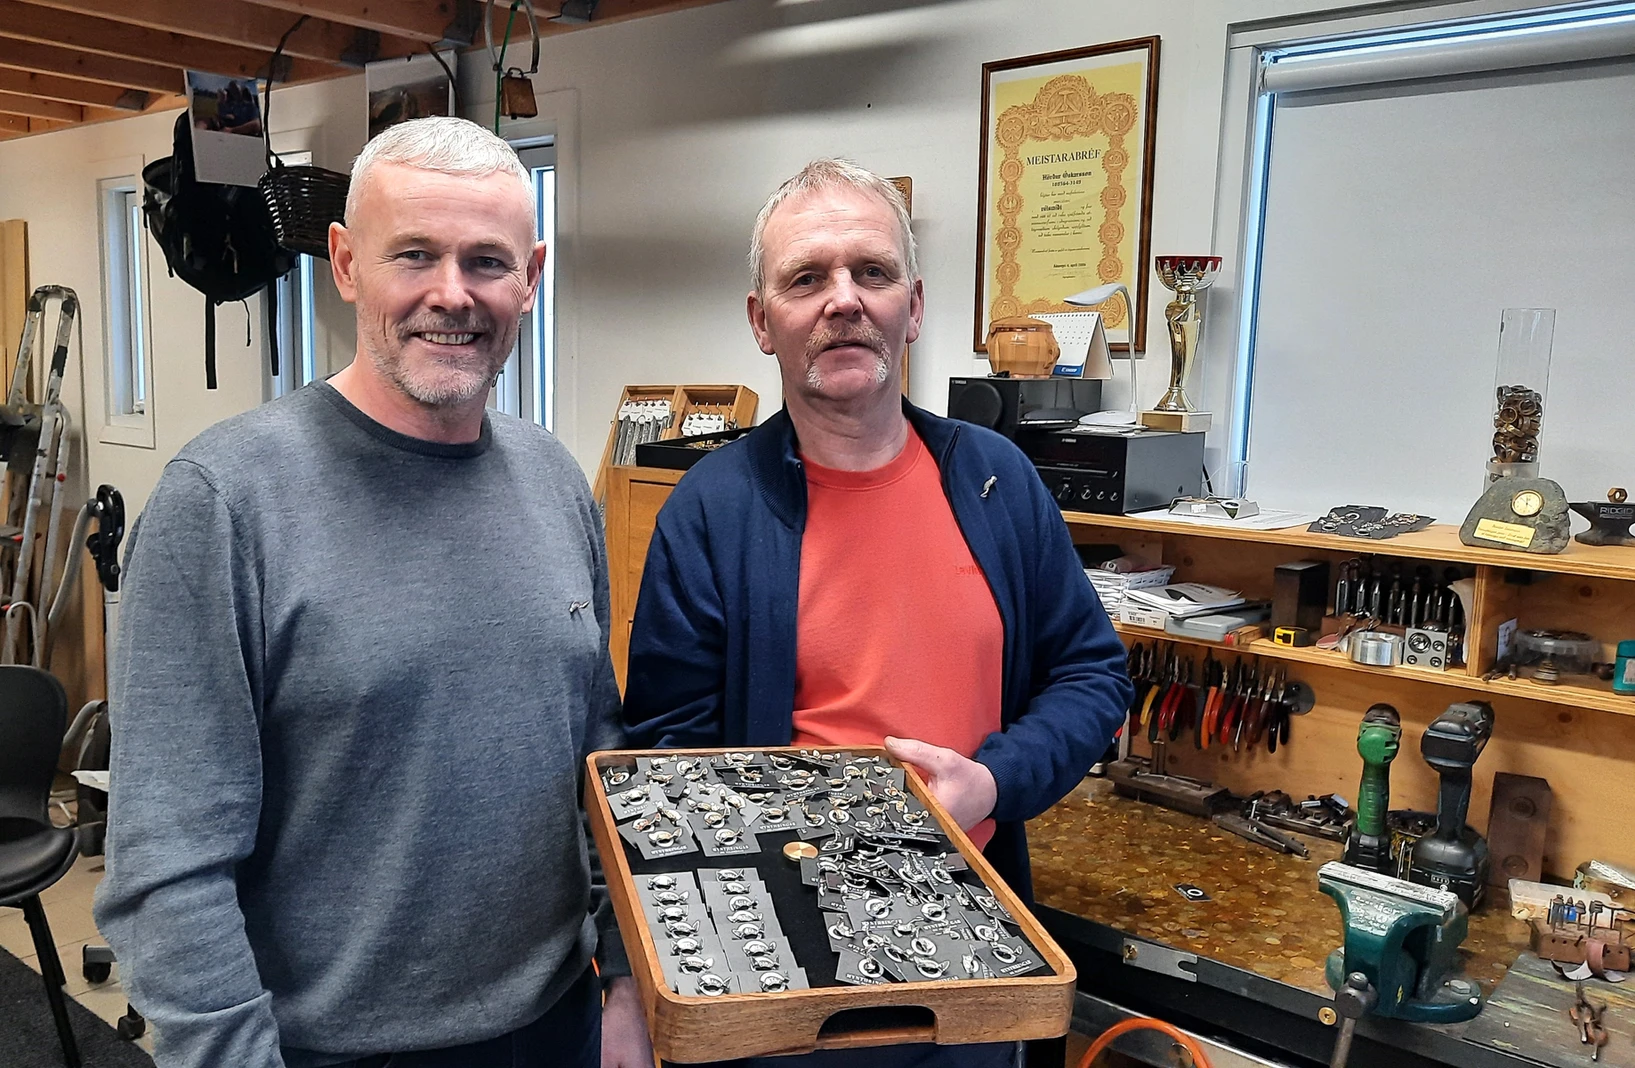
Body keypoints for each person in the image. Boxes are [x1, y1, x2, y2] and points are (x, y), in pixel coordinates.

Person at [95, 117, 651, 1068]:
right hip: (330, 1050)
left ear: (530, 277)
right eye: (414, 255)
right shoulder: (223, 501)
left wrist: (626, 978)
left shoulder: (555, 480)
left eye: (486, 261)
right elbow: (168, 863)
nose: (452, 294)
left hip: (557, 1025)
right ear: (347, 264)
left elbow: (596, 766)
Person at [622, 159, 1133, 1067]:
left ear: (914, 305)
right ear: (761, 321)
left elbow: (1090, 674)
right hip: (785, 987)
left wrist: (991, 783)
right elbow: (668, 758)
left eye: (872, 272)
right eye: (806, 279)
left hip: (975, 960)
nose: (844, 300)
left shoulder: (996, 482)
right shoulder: (711, 511)